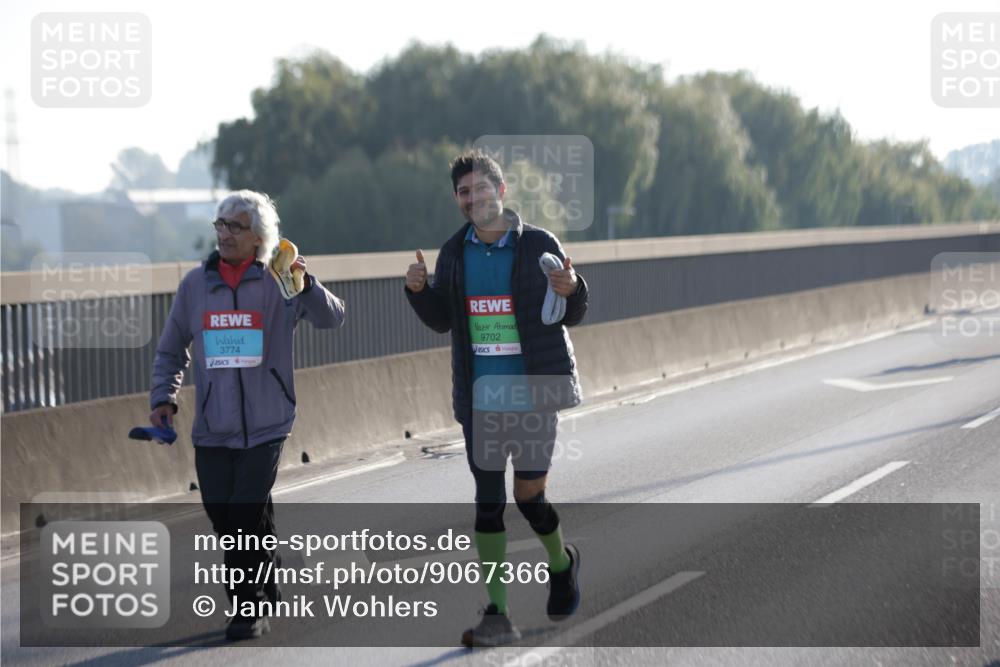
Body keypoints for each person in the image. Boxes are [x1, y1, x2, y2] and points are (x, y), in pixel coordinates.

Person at [405, 151, 588, 647]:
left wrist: (573, 289)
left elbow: (571, 308)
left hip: (533, 394)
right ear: (457, 199)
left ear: (501, 191)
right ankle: (498, 614)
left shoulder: (537, 245)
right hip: (481, 399)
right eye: (464, 192)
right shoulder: (454, 253)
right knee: (488, 506)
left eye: (481, 188)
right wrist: (419, 291)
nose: (473, 198)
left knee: (528, 499)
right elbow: (443, 318)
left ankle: (561, 561)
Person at [148, 190, 345, 640]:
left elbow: (333, 318)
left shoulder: (278, 280)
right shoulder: (196, 285)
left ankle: (247, 607)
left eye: (234, 226)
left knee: (242, 514)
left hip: (268, 421)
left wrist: (306, 284)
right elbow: (172, 346)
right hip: (213, 426)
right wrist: (164, 397)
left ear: (259, 237)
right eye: (219, 224)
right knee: (225, 515)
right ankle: (267, 568)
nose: (224, 234)